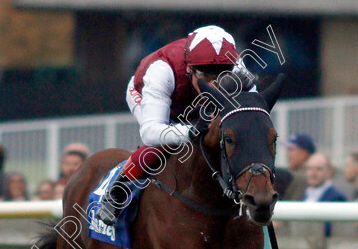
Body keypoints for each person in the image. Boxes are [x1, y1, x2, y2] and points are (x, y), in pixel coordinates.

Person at [95, 25, 252, 225]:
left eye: (222, 77)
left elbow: (253, 109)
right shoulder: (161, 70)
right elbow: (151, 132)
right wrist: (191, 131)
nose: (214, 86)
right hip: (148, 95)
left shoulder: (237, 66)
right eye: (206, 77)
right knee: (165, 143)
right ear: (189, 69)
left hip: (191, 98)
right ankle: (118, 190)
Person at [279, 133, 315, 201]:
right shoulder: (294, 172)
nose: (288, 154)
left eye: (291, 149)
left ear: (304, 153)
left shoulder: (304, 176)